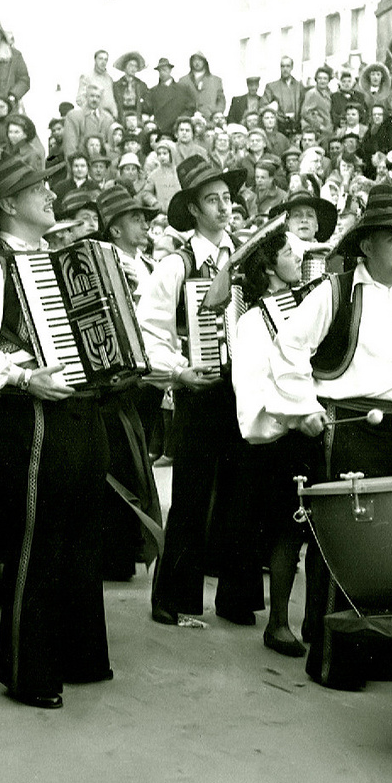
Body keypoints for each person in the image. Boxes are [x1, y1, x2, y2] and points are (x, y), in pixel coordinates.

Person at [0, 150, 113, 708]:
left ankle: (79, 656)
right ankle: (27, 671)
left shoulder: (59, 257)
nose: (52, 195)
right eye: (39, 188)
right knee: (38, 540)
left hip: (79, 407)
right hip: (31, 416)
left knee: (81, 533)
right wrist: (19, 376)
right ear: (9, 204)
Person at [269, 184, 392, 683]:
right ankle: (340, 661)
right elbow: (287, 351)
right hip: (349, 428)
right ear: (366, 246)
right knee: (348, 548)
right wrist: (303, 407)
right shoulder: (334, 293)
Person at [137, 155, 264, 629]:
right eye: (212, 199)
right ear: (192, 209)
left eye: (227, 198)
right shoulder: (177, 263)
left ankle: (236, 597)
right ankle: (173, 595)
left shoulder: (247, 259)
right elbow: (150, 330)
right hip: (199, 387)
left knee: (242, 490)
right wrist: (179, 370)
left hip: (243, 386)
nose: (224, 207)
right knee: (190, 493)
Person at [228, 229, 319, 657]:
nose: (298, 257)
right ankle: (278, 623)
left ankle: (318, 620)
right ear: (268, 269)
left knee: (322, 532)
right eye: (288, 252)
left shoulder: (312, 305)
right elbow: (253, 392)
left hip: (320, 428)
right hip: (285, 439)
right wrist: (294, 417)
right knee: (289, 530)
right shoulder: (252, 323)